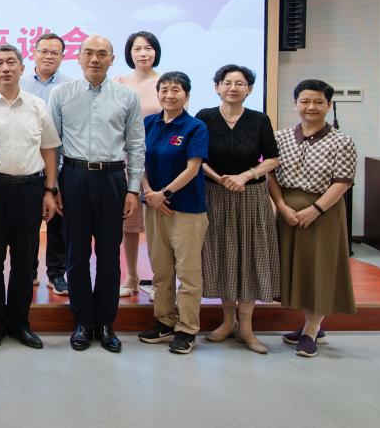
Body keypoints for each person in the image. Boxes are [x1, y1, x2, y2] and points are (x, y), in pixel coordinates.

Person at [47, 34, 144, 353]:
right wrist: (53, 186)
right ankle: (82, 321)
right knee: (75, 254)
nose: (94, 59)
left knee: (108, 255)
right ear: (78, 57)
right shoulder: (61, 94)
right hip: (73, 177)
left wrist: (133, 189)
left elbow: (136, 146)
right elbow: (52, 145)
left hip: (112, 179)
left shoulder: (127, 97)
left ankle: (105, 323)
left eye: (102, 54)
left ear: (112, 60)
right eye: (88, 52)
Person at [0, 45, 60, 350]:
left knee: (25, 261)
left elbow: (49, 150)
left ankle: (20, 323)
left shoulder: (37, 106)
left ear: (22, 68)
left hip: (30, 190)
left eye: (11, 62)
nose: (5, 68)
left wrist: (50, 191)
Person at [269, 79, 358, 359]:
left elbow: (342, 182)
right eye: (305, 101)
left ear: (328, 105)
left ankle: (310, 330)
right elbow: (271, 175)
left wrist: (315, 210)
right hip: (287, 212)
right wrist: (281, 206)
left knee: (320, 269)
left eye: (319, 102)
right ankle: (312, 324)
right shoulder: (280, 137)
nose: (311, 107)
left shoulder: (341, 141)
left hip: (324, 214)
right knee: (298, 270)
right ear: (295, 104)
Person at [196, 64, 280, 354]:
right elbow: (197, 158)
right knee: (223, 256)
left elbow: (272, 159)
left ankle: (247, 327)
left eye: (240, 83)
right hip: (215, 195)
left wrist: (246, 176)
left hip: (251, 197)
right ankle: (227, 321)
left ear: (249, 89)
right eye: (227, 82)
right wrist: (220, 178)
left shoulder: (259, 120)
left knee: (250, 257)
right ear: (217, 87)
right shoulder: (205, 117)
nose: (233, 88)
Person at [137, 71, 209, 355]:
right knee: (161, 269)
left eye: (176, 90)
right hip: (154, 207)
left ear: (186, 95)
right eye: (164, 89)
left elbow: (193, 168)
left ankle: (187, 329)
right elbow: (139, 160)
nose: (169, 95)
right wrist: (149, 193)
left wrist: (164, 194)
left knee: (188, 273)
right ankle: (165, 322)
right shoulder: (149, 123)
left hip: (186, 209)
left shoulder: (195, 127)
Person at [21, 32, 71, 295]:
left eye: (55, 53)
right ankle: (28, 271)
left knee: (58, 221)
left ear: (62, 57)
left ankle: (56, 273)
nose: (49, 56)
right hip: (27, 163)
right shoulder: (19, 83)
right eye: (44, 51)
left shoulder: (70, 86)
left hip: (61, 163)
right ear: (34, 53)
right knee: (28, 221)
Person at [113, 30, 162, 297]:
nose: (143, 53)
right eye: (137, 48)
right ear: (129, 53)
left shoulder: (166, 82)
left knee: (157, 224)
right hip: (126, 160)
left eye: (148, 48)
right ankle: (131, 277)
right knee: (128, 224)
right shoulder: (119, 82)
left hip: (158, 160)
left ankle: (159, 280)